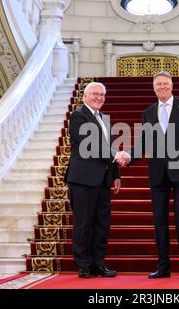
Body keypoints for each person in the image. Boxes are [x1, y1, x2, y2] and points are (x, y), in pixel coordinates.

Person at [117, 71, 179, 279]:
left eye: (165, 84)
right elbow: (145, 142)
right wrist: (129, 157)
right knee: (159, 219)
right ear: (154, 88)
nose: (162, 87)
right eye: (158, 85)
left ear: (172, 86)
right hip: (157, 172)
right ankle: (163, 266)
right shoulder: (148, 112)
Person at [65, 82, 127, 278]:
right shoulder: (78, 116)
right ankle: (84, 265)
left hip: (102, 180)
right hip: (82, 179)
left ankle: (98, 264)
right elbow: (89, 144)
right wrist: (117, 156)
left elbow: (110, 146)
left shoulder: (105, 119)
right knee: (83, 224)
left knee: (102, 224)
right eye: (95, 94)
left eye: (102, 95)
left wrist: (116, 174)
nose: (99, 98)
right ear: (85, 96)